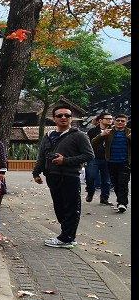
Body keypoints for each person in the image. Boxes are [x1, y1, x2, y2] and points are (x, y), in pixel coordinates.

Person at [32, 105, 95, 248]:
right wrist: (36, 172)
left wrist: (65, 161)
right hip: (52, 176)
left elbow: (89, 155)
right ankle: (67, 236)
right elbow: (42, 155)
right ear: (54, 118)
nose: (63, 118)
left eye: (67, 115)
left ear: (71, 118)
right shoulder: (48, 136)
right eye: (60, 115)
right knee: (59, 206)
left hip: (70, 176)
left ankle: (67, 238)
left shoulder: (79, 135)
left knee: (71, 207)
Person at [91, 114, 130, 214]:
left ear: (126, 122)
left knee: (123, 183)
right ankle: (120, 200)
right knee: (115, 183)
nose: (120, 123)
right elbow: (93, 143)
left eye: (122, 121)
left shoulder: (129, 133)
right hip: (111, 162)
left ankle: (122, 203)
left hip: (125, 162)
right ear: (114, 121)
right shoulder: (108, 132)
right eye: (118, 120)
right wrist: (102, 135)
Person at [86, 112, 114, 204]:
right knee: (90, 176)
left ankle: (104, 198)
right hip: (94, 157)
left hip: (108, 158)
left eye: (111, 119)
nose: (110, 120)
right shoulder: (92, 131)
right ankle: (90, 192)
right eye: (107, 118)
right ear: (101, 120)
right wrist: (102, 135)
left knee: (106, 180)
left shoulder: (114, 131)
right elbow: (89, 144)